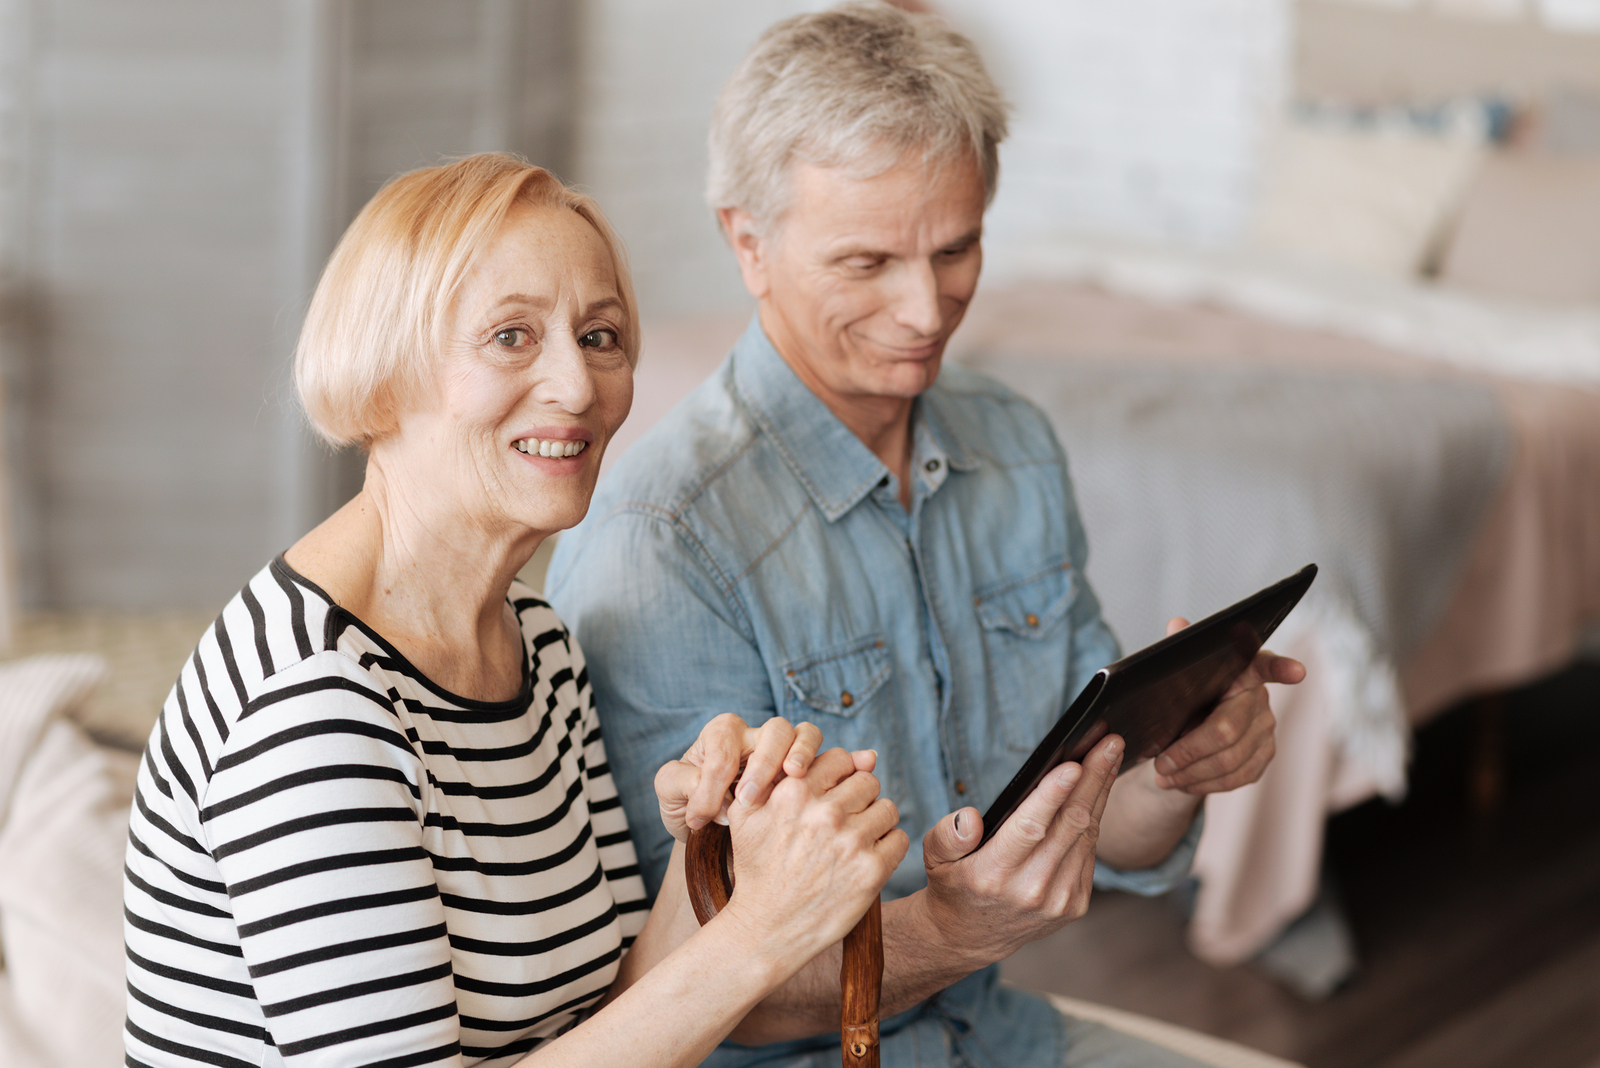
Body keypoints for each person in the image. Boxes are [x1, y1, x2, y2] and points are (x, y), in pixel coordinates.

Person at [545, 5, 1306, 1067]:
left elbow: (1107, 838)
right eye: (866, 263)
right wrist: (961, 929)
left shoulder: (1014, 447)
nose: (924, 309)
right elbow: (687, 990)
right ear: (746, 243)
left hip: (989, 1033)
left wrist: (1169, 770)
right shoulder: (660, 543)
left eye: (957, 248)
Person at [122, 153, 909, 1068]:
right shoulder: (313, 707)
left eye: (600, 336)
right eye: (510, 336)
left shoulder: (537, 645)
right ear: (384, 374)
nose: (577, 388)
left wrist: (718, 847)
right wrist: (765, 935)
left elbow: (609, 1018)